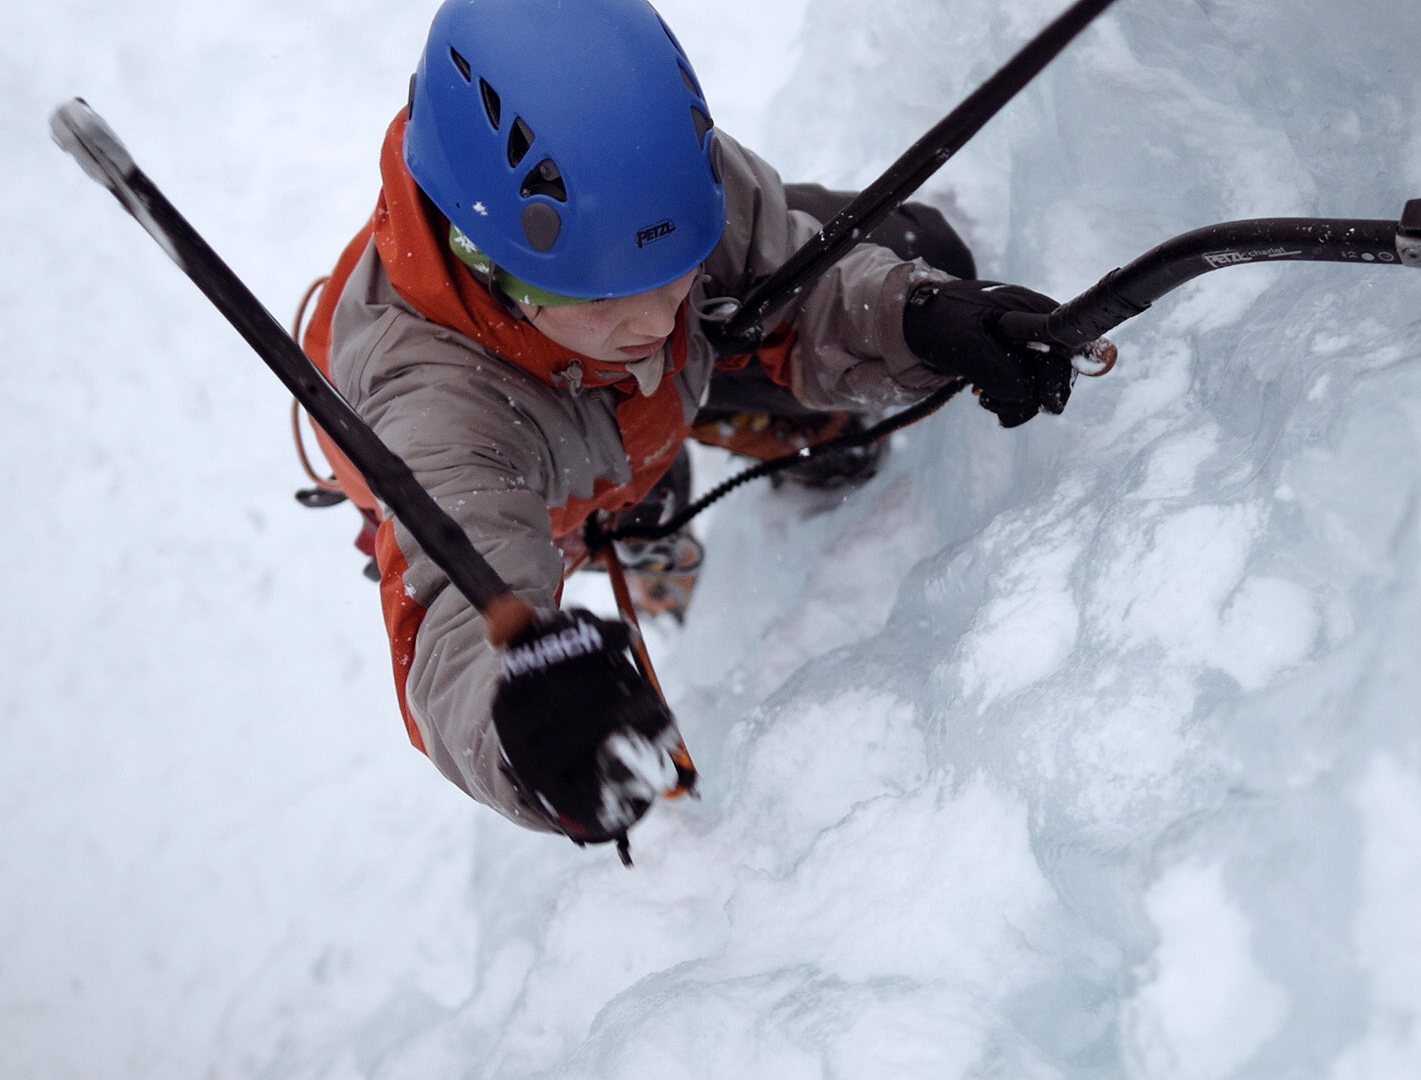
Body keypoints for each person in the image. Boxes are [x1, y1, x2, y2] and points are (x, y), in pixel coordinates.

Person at [300, 0, 1077, 859]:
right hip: (563, 475)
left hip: (668, 391)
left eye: (675, 269)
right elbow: (454, 611)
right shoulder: (436, 410)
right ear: (493, 264)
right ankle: (643, 541)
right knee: (634, 502)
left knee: (917, 255)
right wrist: (525, 731)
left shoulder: (661, 182)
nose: (658, 313)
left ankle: (764, 441)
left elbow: (787, 270)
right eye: (600, 291)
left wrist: (921, 318)